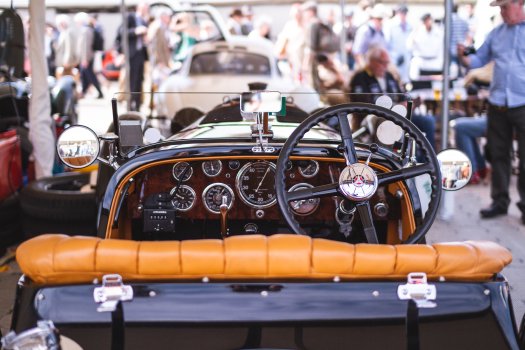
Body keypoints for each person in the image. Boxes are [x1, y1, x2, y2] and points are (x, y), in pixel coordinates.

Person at [458, 0, 525, 223]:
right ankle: (499, 201)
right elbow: (478, 59)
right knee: (498, 153)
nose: (502, 12)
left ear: (519, 4)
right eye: (500, 8)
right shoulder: (497, 33)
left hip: (523, 102)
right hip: (498, 102)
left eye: (505, 7)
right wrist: (464, 55)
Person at [349, 45, 436, 149]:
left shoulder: (389, 76)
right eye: (381, 62)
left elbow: (402, 96)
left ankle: (428, 158)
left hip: (399, 115)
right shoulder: (360, 78)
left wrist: (409, 103)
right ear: (371, 61)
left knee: (428, 121)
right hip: (375, 118)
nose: (385, 66)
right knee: (388, 122)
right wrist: (393, 108)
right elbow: (362, 106)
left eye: (387, 63)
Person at [115, 2, 149, 111]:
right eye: (144, 8)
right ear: (139, 8)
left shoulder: (144, 21)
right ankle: (130, 105)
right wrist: (136, 31)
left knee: (139, 80)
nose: (146, 10)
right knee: (131, 81)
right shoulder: (130, 17)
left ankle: (137, 105)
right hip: (131, 54)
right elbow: (122, 32)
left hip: (141, 54)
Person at [408, 13, 444, 81]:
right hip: (421, 61)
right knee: (413, 70)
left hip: (435, 62)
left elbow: (441, 49)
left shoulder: (439, 32)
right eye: (426, 20)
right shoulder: (417, 31)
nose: (428, 22)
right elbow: (409, 46)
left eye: (429, 20)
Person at [352, 4, 390, 69]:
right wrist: (365, 69)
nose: (382, 21)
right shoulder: (365, 30)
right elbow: (357, 52)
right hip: (365, 67)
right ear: (374, 18)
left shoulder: (381, 32)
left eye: (383, 19)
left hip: (377, 68)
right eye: (380, 19)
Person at [386, 4, 412, 84]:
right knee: (394, 80)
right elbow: (386, 44)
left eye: (405, 13)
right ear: (397, 13)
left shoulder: (409, 26)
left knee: (405, 82)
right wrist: (392, 58)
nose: (403, 15)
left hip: (406, 61)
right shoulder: (390, 25)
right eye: (401, 13)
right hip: (394, 59)